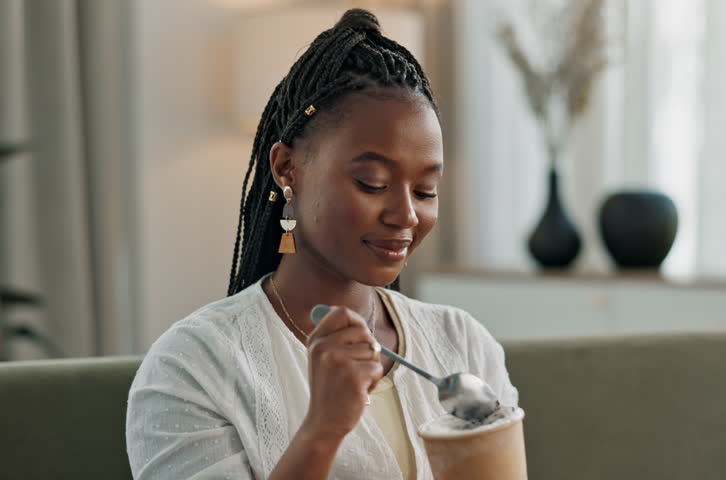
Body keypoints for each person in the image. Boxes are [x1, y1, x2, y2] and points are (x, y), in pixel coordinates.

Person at [126, 8, 519, 480]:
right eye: (372, 183)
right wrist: (323, 430)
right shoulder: (192, 367)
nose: (407, 215)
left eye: (425, 190)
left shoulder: (463, 344)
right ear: (286, 168)